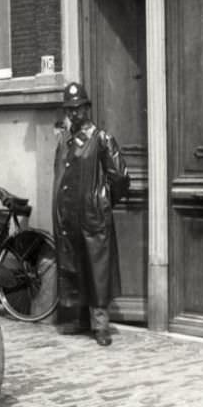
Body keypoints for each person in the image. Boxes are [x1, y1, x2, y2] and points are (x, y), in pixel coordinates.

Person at [52, 82, 130, 346]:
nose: (74, 113)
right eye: (70, 109)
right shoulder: (64, 140)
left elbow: (121, 177)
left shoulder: (101, 139)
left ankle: (101, 326)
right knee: (75, 265)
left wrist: (103, 201)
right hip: (69, 217)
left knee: (97, 270)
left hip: (92, 216)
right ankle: (79, 319)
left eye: (78, 108)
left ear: (87, 108)